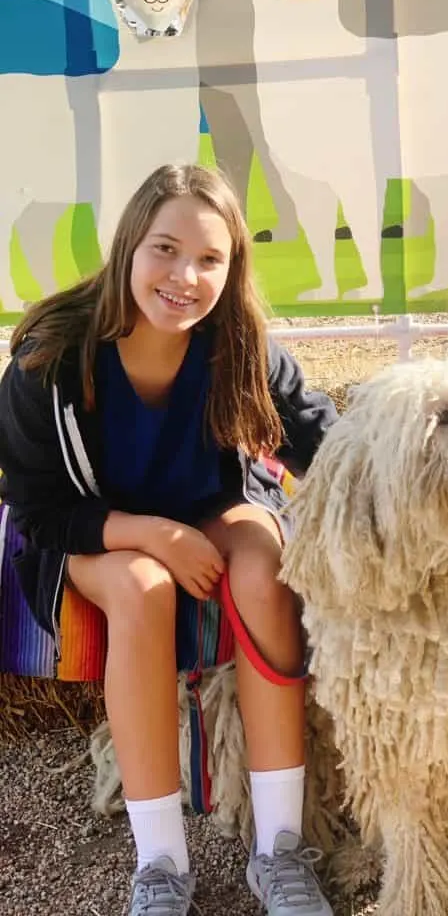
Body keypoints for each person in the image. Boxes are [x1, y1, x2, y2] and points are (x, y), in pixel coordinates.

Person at [0, 164, 338, 915]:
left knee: (264, 565)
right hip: (95, 533)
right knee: (143, 585)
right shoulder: (48, 358)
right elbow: (36, 509)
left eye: (210, 259)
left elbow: (324, 438)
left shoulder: (240, 341)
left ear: (232, 268)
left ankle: (279, 852)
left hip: (212, 509)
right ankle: (159, 865)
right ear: (129, 245)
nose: (185, 276)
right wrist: (148, 535)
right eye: (165, 248)